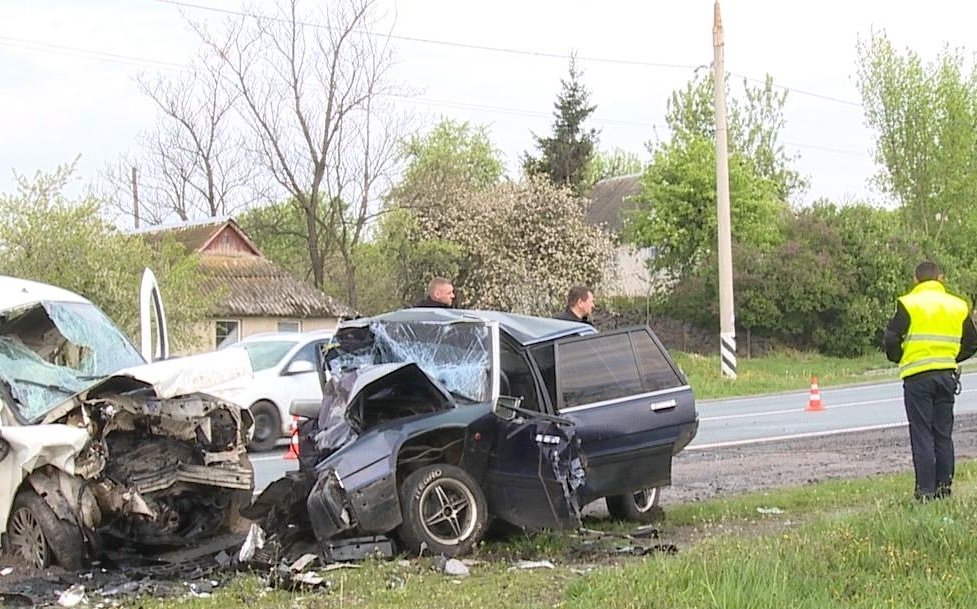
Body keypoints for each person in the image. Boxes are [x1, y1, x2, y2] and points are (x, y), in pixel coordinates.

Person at [883, 260, 977, 501]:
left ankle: (925, 492)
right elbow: (972, 343)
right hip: (946, 375)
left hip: (918, 377)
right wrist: (951, 357)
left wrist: (899, 357)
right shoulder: (957, 305)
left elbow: (891, 336)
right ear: (941, 278)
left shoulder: (909, 303)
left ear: (916, 280)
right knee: (943, 435)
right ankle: (944, 490)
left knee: (922, 433)